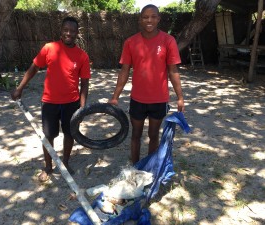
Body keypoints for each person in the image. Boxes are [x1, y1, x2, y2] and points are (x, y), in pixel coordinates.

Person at [11, 17, 91, 181]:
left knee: (70, 134)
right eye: (66, 29)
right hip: (49, 102)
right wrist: (20, 88)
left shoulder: (82, 56)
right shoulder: (49, 48)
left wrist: (82, 107)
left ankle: (66, 163)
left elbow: (84, 84)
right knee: (48, 136)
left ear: (77, 33)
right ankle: (48, 167)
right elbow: (33, 68)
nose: (69, 33)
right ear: (61, 31)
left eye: (72, 30)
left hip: (71, 103)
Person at [109, 4, 185, 164]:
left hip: (159, 99)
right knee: (135, 135)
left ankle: (149, 168)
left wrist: (180, 97)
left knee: (153, 135)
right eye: (145, 17)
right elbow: (124, 71)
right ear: (140, 20)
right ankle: (135, 166)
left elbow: (173, 71)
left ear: (158, 19)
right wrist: (115, 96)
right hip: (137, 99)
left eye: (153, 17)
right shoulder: (131, 42)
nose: (149, 20)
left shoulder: (168, 41)